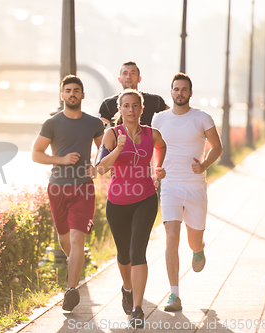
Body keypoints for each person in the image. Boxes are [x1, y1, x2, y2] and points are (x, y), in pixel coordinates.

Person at [32, 75, 104, 311]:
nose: (72, 94)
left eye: (77, 90)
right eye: (68, 90)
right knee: (65, 239)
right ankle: (77, 265)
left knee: (76, 238)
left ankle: (70, 290)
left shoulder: (93, 123)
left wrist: (97, 165)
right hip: (57, 187)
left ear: (83, 95)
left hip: (83, 187)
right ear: (62, 95)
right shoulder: (52, 124)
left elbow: (104, 149)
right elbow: (37, 154)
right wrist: (61, 160)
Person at [151, 73, 223, 312]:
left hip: (195, 186)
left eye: (184, 89)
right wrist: (156, 171)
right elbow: (153, 150)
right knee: (171, 236)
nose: (179, 93)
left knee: (193, 240)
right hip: (170, 185)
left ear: (190, 93)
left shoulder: (202, 118)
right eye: (175, 89)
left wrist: (203, 166)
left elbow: (217, 147)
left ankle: (199, 249)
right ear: (170, 92)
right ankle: (174, 295)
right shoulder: (159, 119)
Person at [96, 89, 166, 328]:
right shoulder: (111, 135)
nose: (131, 110)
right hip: (117, 203)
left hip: (145, 198)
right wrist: (118, 148)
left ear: (142, 109)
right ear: (120, 109)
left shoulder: (151, 133)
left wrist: (158, 169)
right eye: (126, 105)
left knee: (138, 252)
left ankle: (137, 309)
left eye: (135, 105)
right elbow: (101, 168)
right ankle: (127, 288)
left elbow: (162, 147)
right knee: (124, 254)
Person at [99, 61, 169, 127]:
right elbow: (99, 131)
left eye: (133, 73)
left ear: (139, 79)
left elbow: (174, 115)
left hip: (147, 139)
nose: (128, 77)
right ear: (119, 79)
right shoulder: (108, 104)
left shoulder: (154, 100)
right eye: (125, 73)